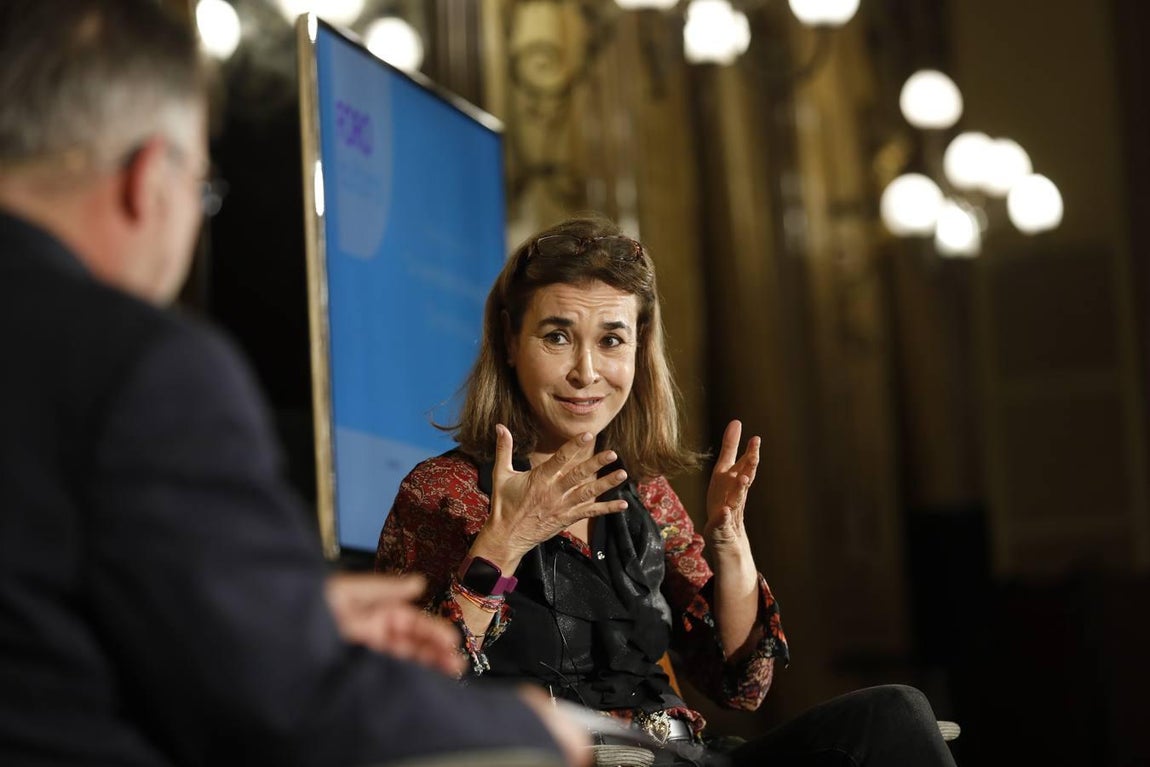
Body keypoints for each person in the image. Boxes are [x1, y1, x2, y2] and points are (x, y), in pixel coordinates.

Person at [0, 1, 590, 765]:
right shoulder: (146, 367)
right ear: (150, 179)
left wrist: (281, 615)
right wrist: (529, 733)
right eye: (204, 190)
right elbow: (287, 708)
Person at [375, 215, 959, 767]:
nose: (586, 372)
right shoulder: (443, 491)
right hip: (566, 755)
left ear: (638, 347)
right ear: (509, 339)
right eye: (557, 337)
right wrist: (503, 543)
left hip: (684, 754)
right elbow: (404, 696)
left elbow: (740, 681)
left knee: (895, 714)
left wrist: (730, 548)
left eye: (610, 341)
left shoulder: (647, 495)